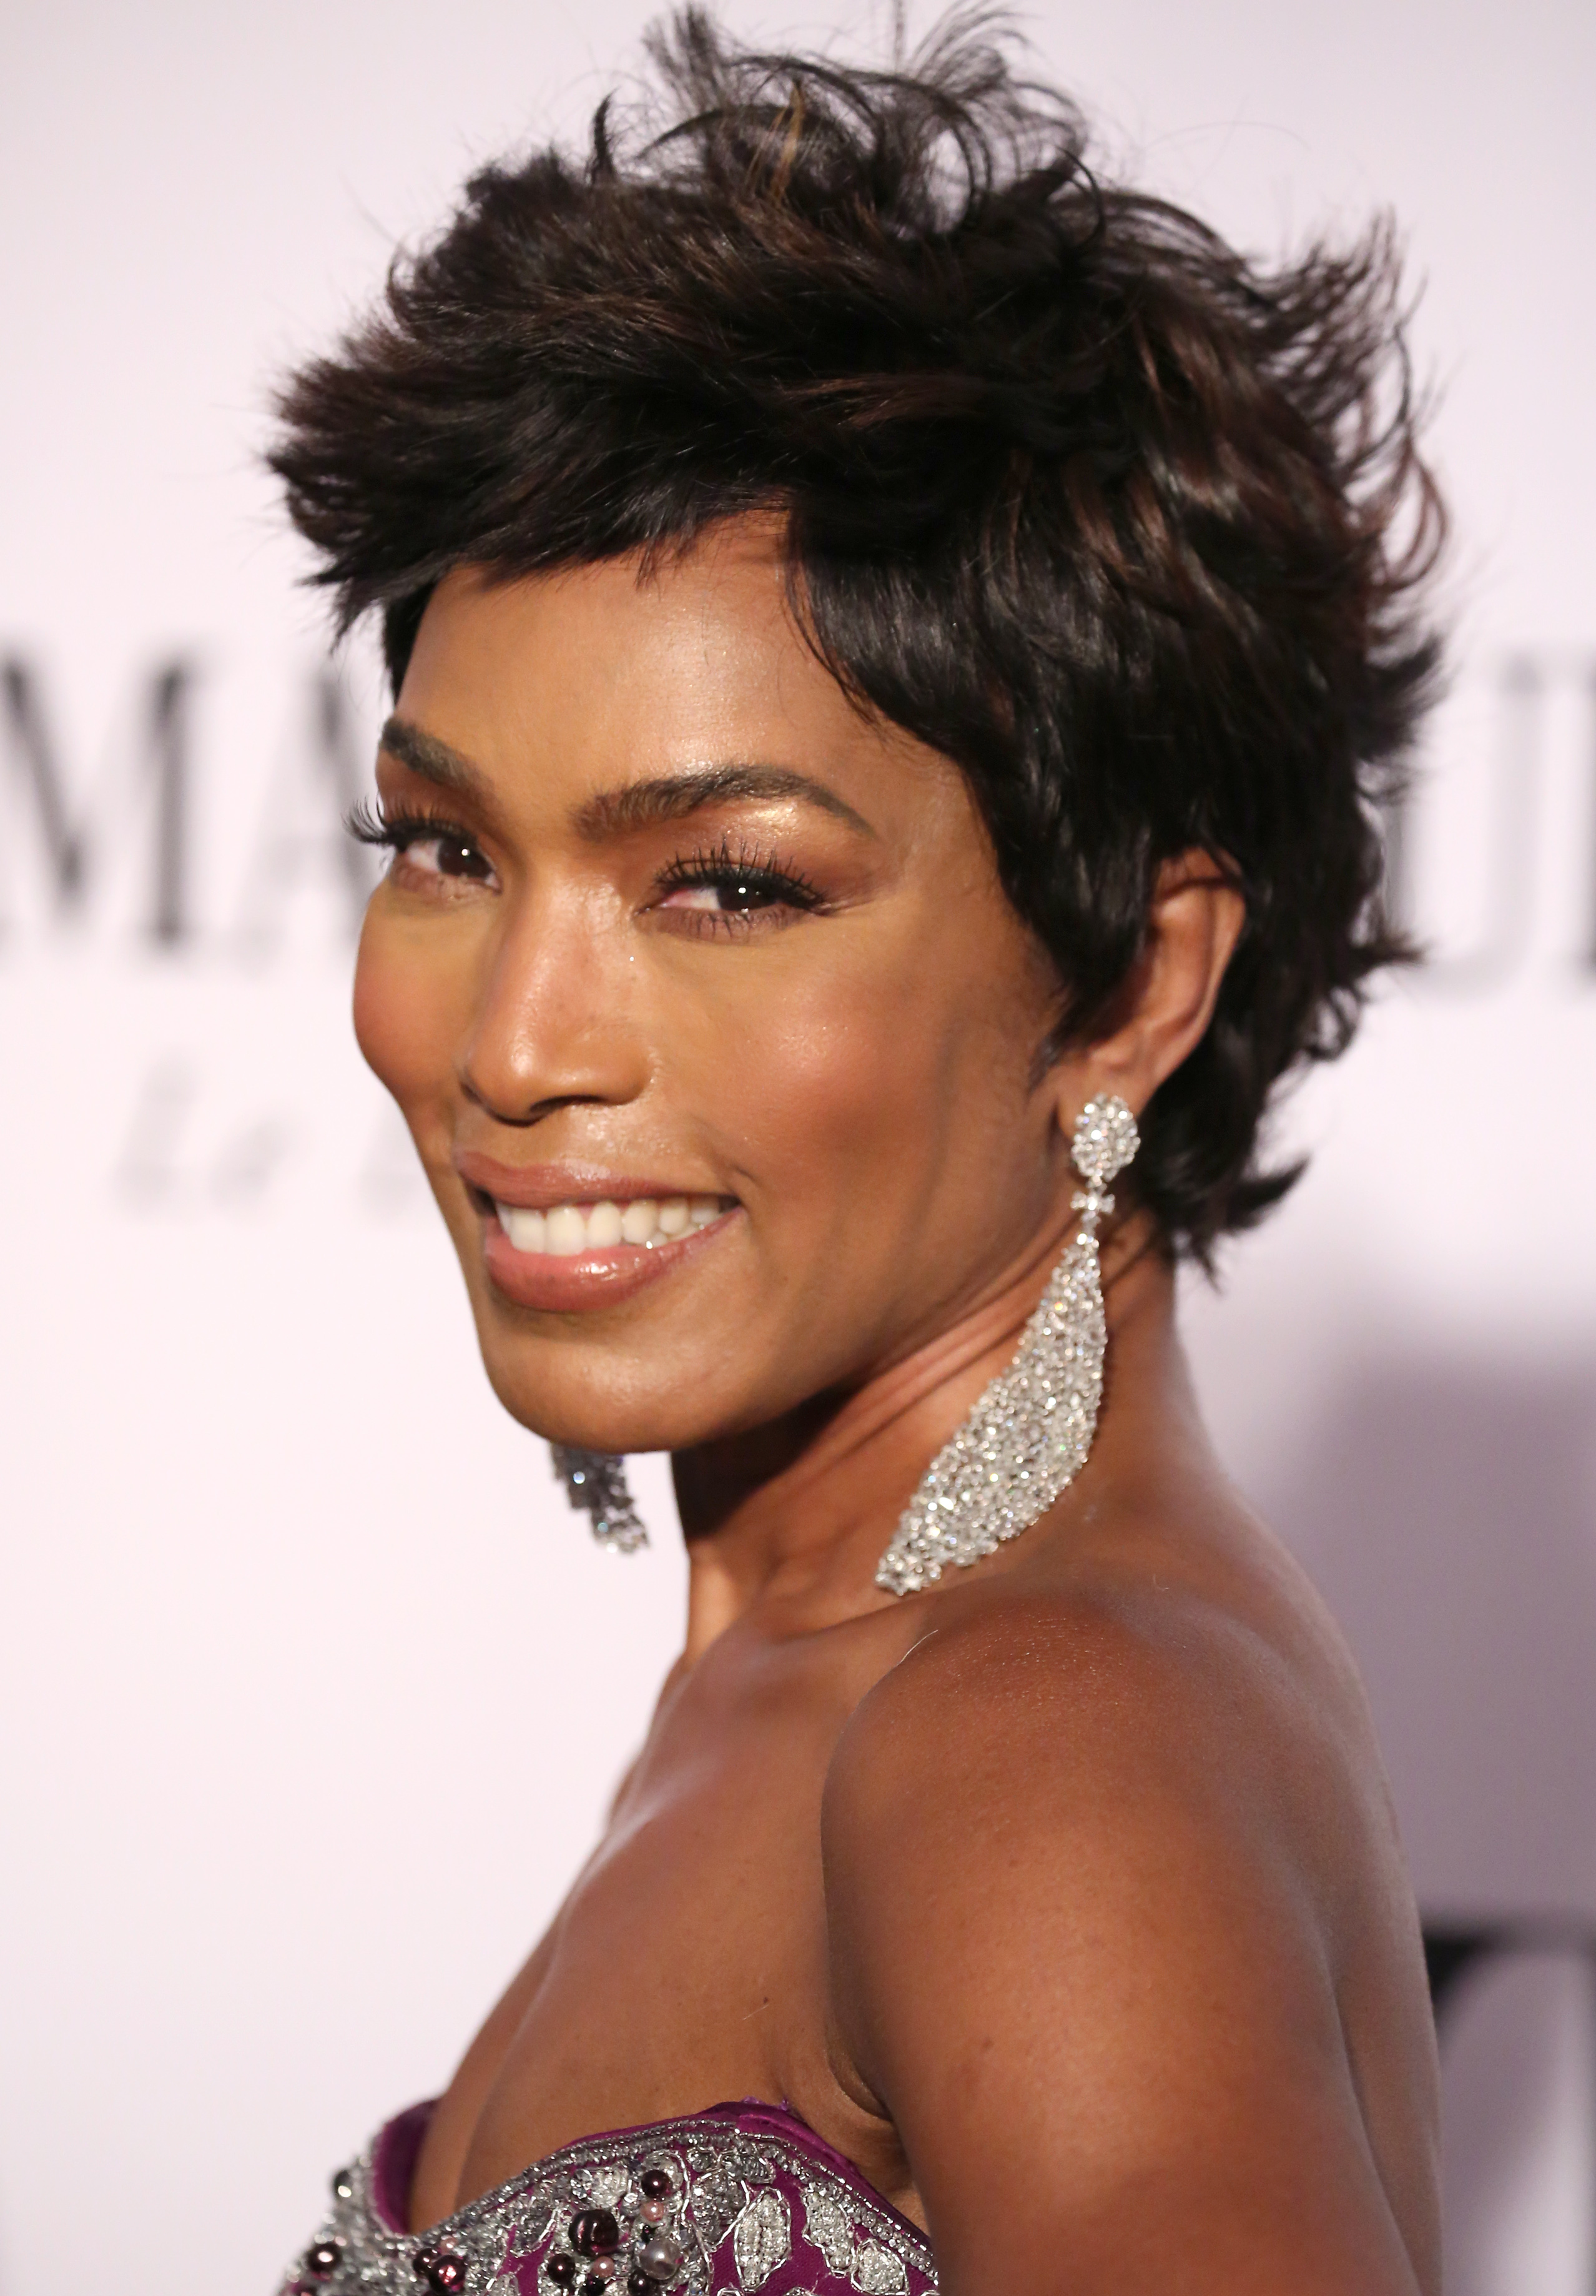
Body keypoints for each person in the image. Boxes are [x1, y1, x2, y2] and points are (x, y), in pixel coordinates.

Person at [270, 14, 1446, 2294]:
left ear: (1129, 981)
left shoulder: (1040, 1734)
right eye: (440, 847)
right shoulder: (814, 1669)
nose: (513, 1045)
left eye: (728, 883)